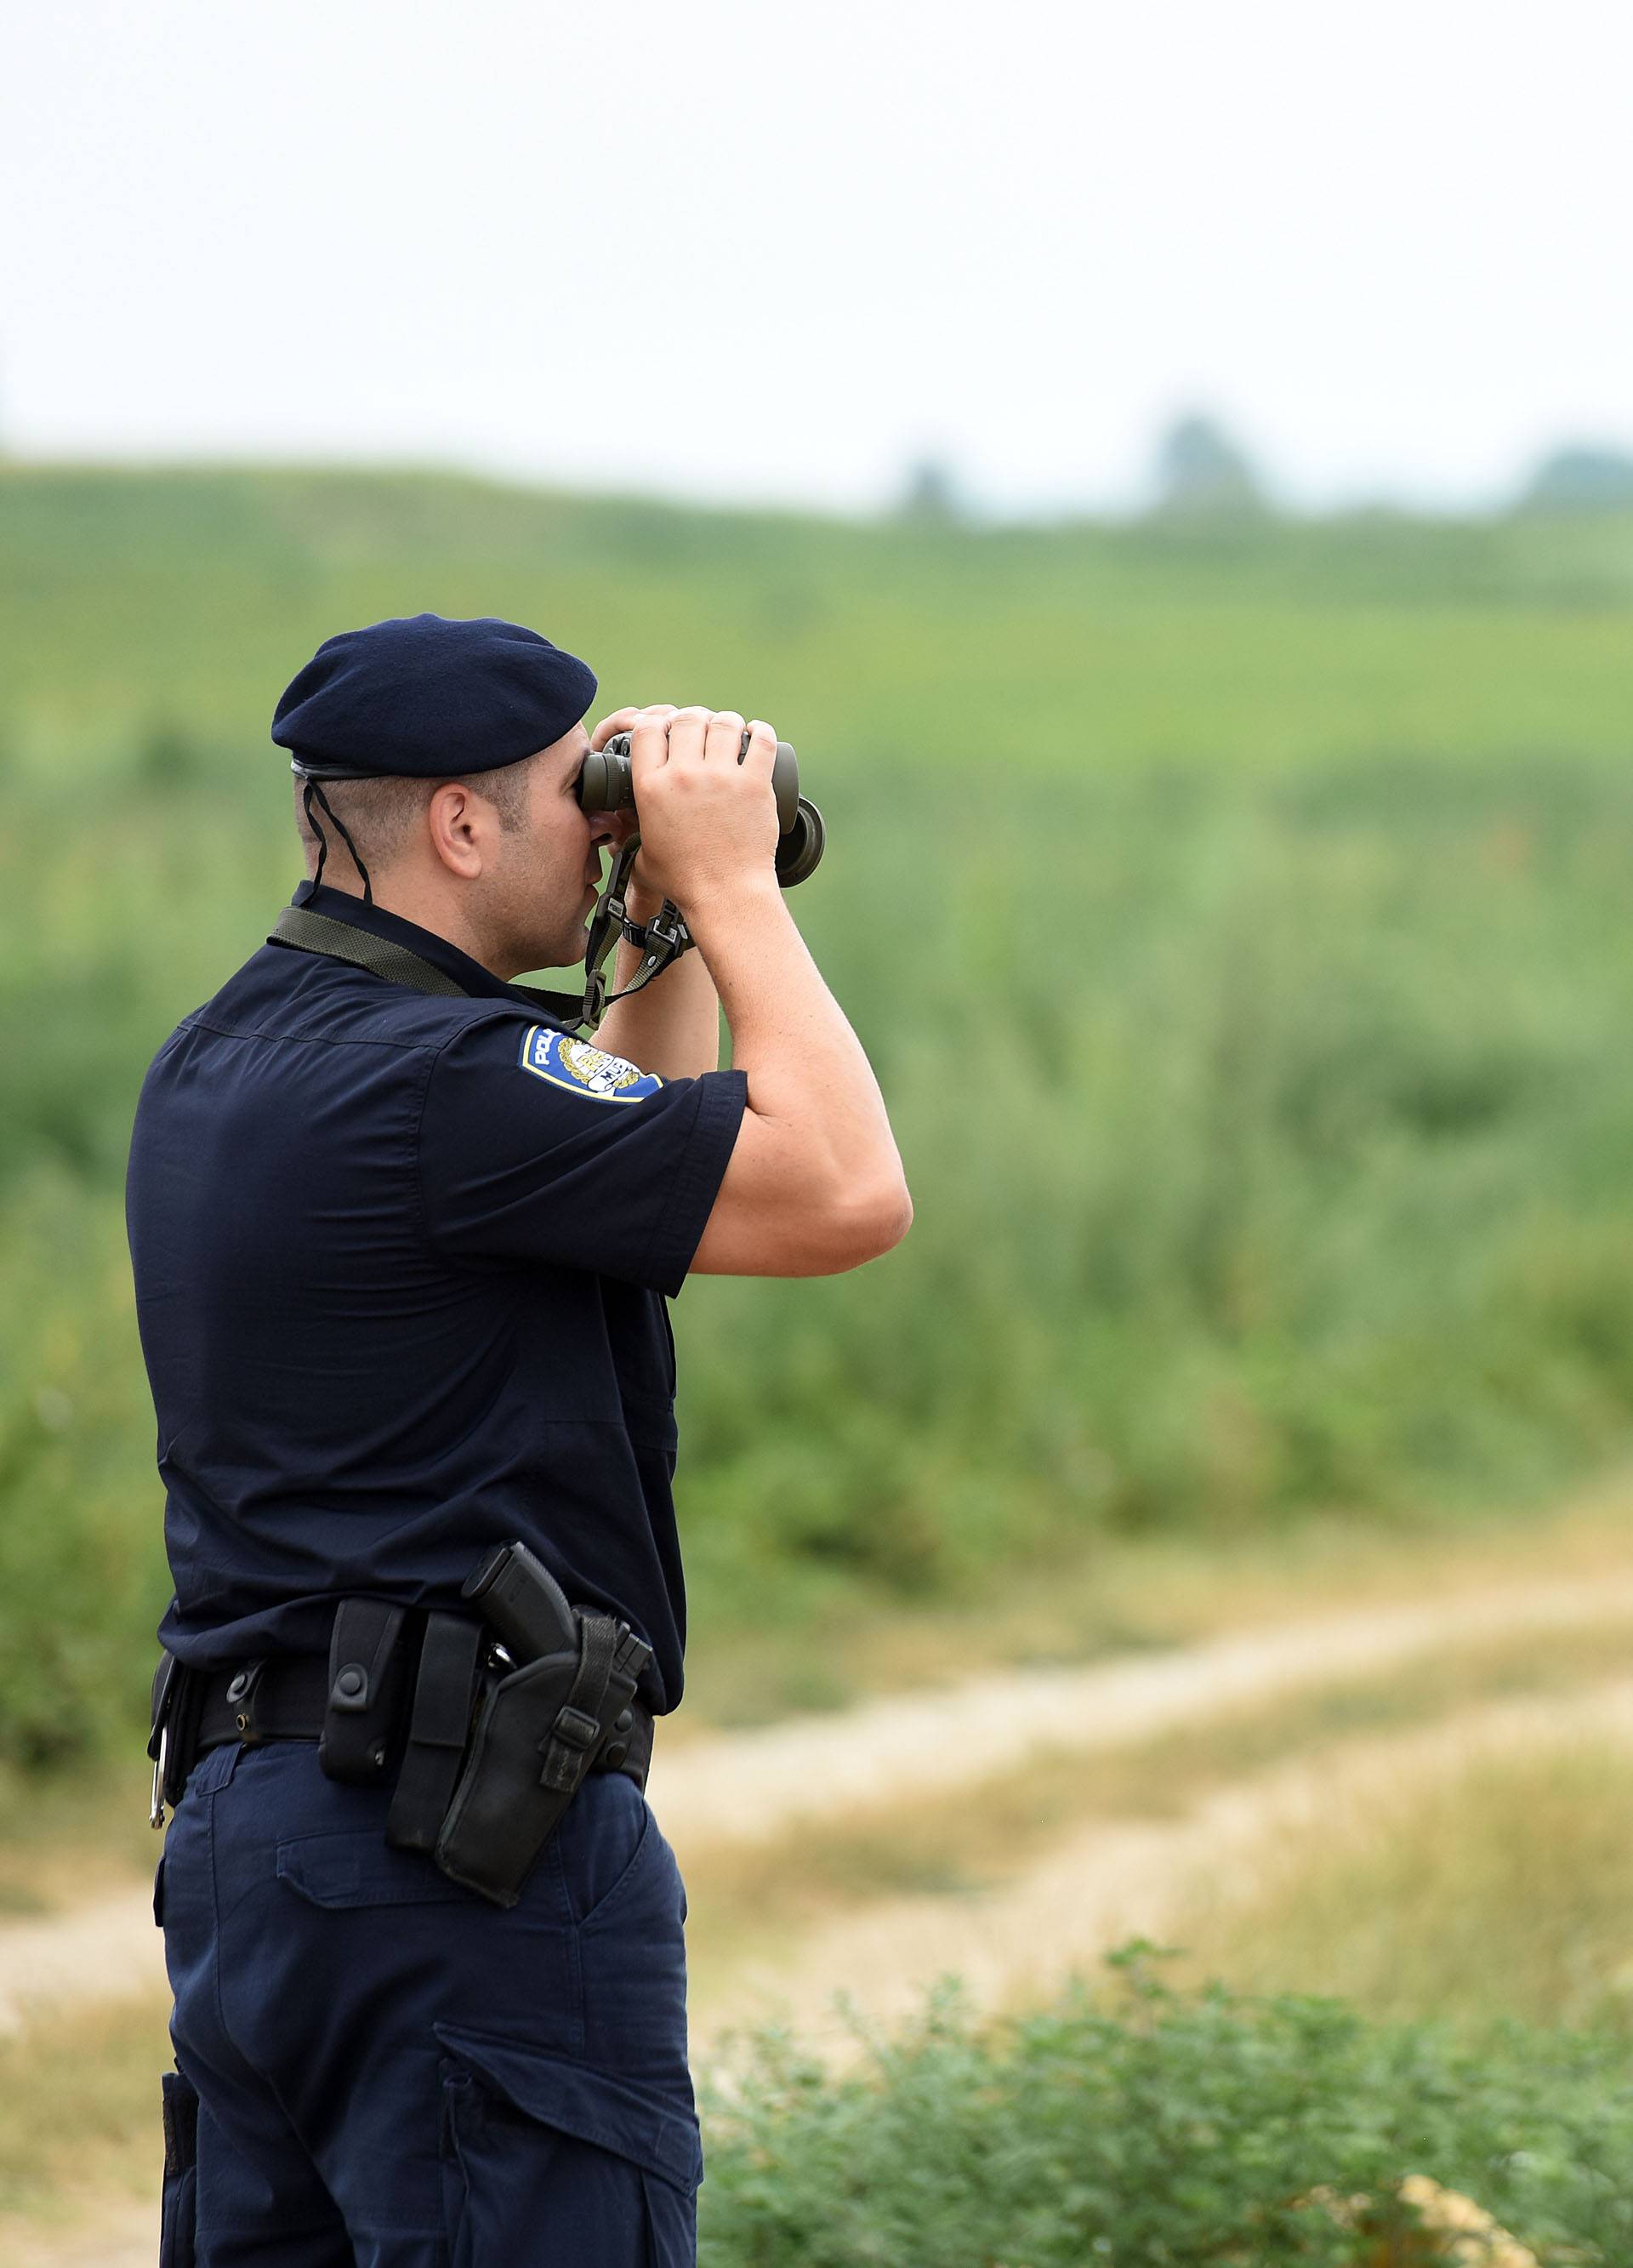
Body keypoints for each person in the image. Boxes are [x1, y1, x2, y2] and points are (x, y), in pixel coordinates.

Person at [125, 613, 912, 2268]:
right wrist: (737, 888)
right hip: (459, 1872)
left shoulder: (225, 1062)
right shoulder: (441, 1091)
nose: (607, 816)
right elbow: (844, 1194)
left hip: (265, 1854)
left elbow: (632, 1202)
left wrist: (659, 935)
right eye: (581, 793)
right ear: (466, 825)